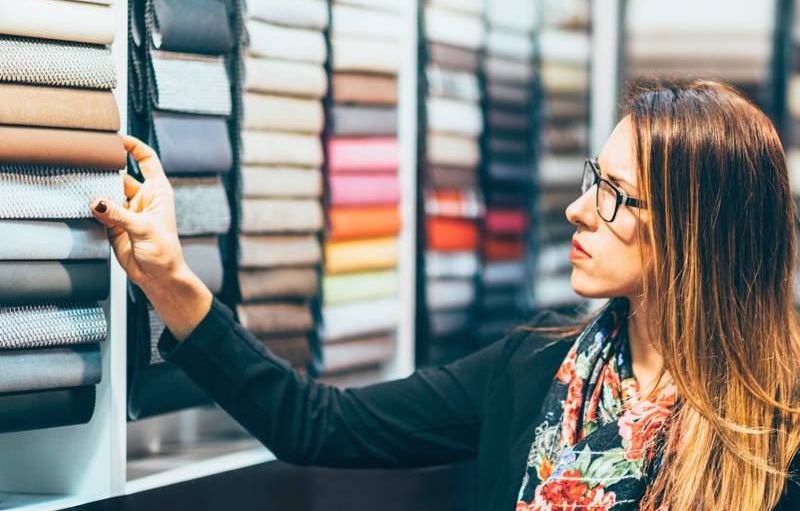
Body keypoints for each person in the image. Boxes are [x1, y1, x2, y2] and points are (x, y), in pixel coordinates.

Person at [91, 79, 800, 511]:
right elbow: (320, 423)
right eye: (594, 178)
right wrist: (169, 279)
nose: (578, 210)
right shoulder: (535, 366)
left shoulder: (779, 426)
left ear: (696, 232)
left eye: (616, 195)